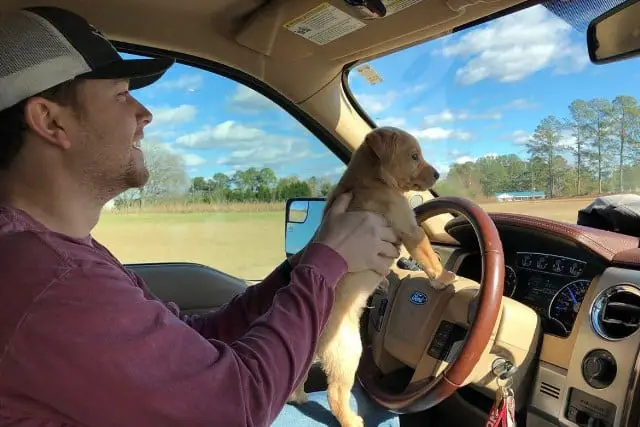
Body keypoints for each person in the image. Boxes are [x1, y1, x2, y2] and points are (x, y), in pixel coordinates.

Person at [0, 6, 403, 427]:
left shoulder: (55, 251)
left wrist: (301, 267)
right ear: (50, 120)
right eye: (121, 94)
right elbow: (236, 412)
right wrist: (326, 265)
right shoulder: (50, 278)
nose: (144, 114)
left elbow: (191, 339)